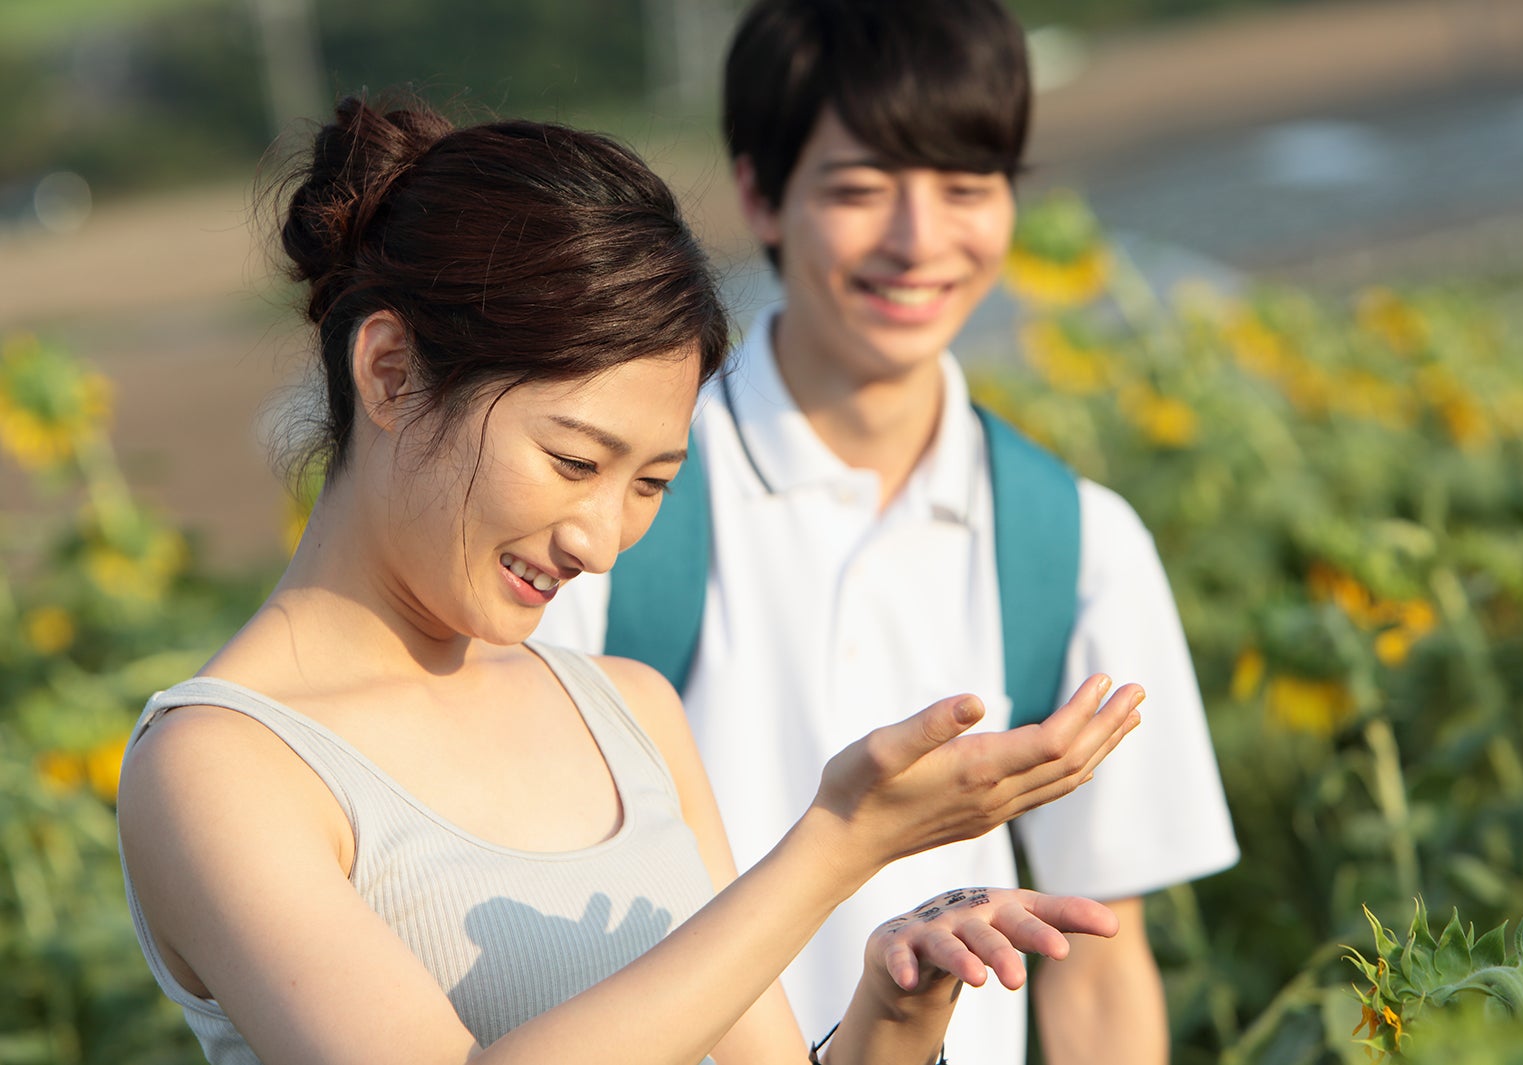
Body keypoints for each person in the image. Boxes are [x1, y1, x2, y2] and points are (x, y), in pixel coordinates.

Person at [114, 94, 1149, 1065]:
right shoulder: (221, 763)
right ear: (389, 373)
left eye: (651, 482)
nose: (603, 542)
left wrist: (891, 1018)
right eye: (572, 463)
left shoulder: (626, 711)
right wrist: (837, 845)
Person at [532, 1, 1241, 1063]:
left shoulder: (1076, 543)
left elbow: (1097, 964)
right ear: (759, 195)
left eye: (965, 187)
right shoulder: (615, 516)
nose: (918, 242)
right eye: (861, 189)